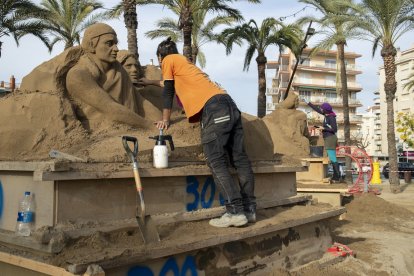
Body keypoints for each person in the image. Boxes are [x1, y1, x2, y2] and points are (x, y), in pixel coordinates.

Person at [139, 37, 256, 228]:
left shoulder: (168, 60)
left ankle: (234, 212)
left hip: (214, 109)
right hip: (229, 104)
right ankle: (249, 210)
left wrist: (166, 120)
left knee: (216, 160)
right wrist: (150, 82)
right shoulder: (186, 65)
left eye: (160, 61)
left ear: (160, 57)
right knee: (240, 159)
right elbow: (168, 83)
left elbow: (168, 90)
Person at [64, 23, 152, 129]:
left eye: (115, 43)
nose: (116, 49)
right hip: (102, 137)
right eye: (109, 43)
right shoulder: (78, 75)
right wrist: (149, 126)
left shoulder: (118, 71)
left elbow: (141, 102)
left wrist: (161, 121)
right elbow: (111, 109)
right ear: (92, 45)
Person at [303, 99, 340, 182]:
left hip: (330, 138)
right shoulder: (326, 115)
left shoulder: (331, 117)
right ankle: (336, 176)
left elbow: (334, 129)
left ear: (325, 109)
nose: (321, 109)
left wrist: (323, 128)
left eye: (322, 108)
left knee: (333, 157)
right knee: (332, 157)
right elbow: (317, 109)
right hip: (327, 138)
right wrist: (307, 102)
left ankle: (337, 177)